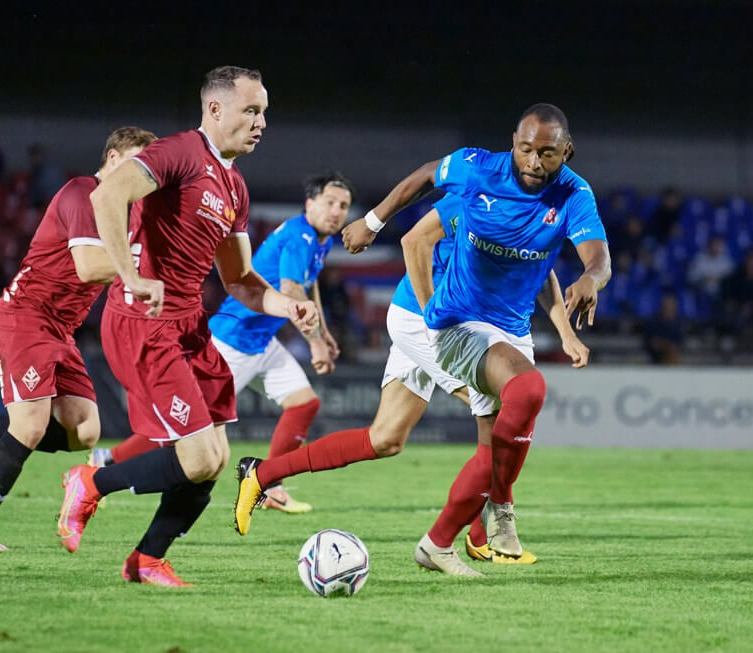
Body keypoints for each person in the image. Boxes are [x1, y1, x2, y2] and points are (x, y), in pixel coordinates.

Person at [234, 103, 608, 564]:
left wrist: (567, 327)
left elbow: (541, 266)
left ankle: (261, 474)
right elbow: (415, 238)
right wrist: (387, 244)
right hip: (431, 316)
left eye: (546, 153)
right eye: (526, 150)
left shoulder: (568, 196)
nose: (533, 162)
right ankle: (479, 531)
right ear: (513, 143)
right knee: (501, 411)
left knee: (385, 438)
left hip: (485, 321)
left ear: (565, 152)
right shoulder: (475, 182)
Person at [55, 66, 319, 588]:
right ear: (215, 109)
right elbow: (106, 197)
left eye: (264, 112)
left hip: (189, 326)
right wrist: (132, 276)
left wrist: (287, 307)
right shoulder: (178, 153)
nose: (262, 122)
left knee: (215, 459)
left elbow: (240, 279)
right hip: (144, 322)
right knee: (196, 459)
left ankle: (146, 560)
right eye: (251, 110)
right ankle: (90, 482)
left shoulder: (235, 186)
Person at [0, 126, 158, 552]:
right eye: (137, 165)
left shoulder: (129, 214)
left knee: (84, 431)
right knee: (31, 427)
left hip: (61, 329)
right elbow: (89, 266)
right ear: (113, 159)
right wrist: (143, 268)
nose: (143, 178)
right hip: (25, 318)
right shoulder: (83, 194)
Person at [89, 172, 353, 514]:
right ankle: (105, 460)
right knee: (185, 428)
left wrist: (324, 333)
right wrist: (315, 343)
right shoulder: (298, 236)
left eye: (343, 206)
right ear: (310, 203)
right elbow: (291, 290)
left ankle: (269, 485)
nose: (336, 211)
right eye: (330, 202)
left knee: (304, 405)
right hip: (232, 342)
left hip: (262, 342)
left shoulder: (320, 241)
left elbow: (308, 283)